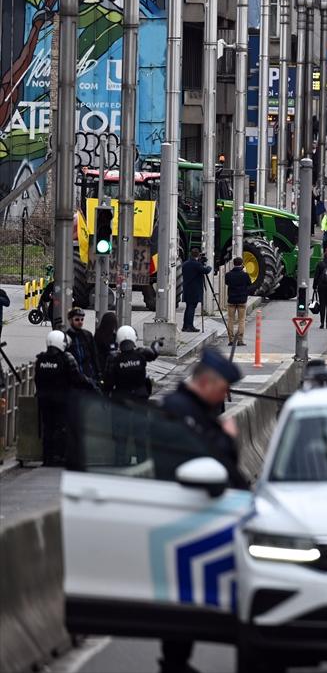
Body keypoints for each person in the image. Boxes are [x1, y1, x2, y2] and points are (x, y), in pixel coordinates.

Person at [157, 349, 244, 673]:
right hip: (184, 517)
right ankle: (174, 663)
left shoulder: (196, 410)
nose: (226, 397)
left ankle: (176, 661)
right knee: (183, 598)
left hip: (200, 517)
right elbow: (213, 461)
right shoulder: (180, 412)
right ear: (207, 382)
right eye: (223, 389)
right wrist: (228, 439)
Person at [35, 330, 97, 466]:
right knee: (62, 427)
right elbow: (77, 378)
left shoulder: (41, 360)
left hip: (44, 400)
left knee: (47, 428)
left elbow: (37, 380)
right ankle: (60, 456)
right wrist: (92, 386)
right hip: (61, 399)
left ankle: (47, 457)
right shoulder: (65, 358)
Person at [104, 326, 162, 466]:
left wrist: (105, 396)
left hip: (121, 400)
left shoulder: (114, 358)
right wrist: (158, 343)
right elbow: (154, 353)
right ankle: (142, 462)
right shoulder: (140, 354)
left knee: (120, 436)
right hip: (139, 399)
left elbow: (108, 382)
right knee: (140, 435)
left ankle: (120, 462)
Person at [65, 307, 100, 384]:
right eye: (77, 320)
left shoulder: (87, 335)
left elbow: (94, 355)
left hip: (89, 375)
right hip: (73, 378)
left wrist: (98, 373)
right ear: (70, 321)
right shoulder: (66, 337)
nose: (80, 322)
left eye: (82, 319)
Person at [180, 248, 210, 333]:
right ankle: (190, 326)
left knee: (188, 307)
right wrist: (209, 266)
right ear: (198, 255)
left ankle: (185, 326)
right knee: (192, 308)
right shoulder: (196, 264)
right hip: (194, 290)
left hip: (187, 289)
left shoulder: (185, 263)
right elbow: (206, 271)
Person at [224, 257, 251, 346]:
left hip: (231, 299)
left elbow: (227, 283)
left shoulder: (228, 274)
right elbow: (249, 284)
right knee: (241, 320)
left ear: (233, 264)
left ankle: (231, 340)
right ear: (242, 264)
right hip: (242, 300)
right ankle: (240, 340)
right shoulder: (245, 275)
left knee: (230, 319)